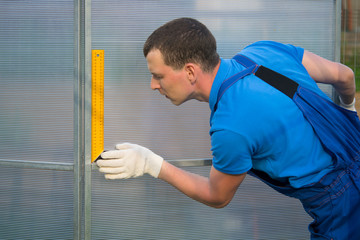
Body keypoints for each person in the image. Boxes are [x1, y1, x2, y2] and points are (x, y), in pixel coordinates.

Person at [97, 18, 360, 239]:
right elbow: (344, 76)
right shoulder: (263, 51)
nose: (153, 85)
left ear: (190, 72)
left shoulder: (230, 127)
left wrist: (151, 164)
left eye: (159, 75)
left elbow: (217, 196)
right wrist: (348, 113)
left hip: (343, 208)